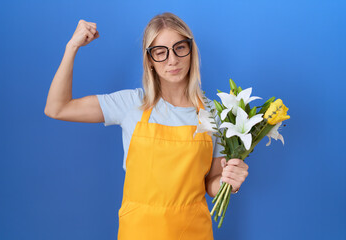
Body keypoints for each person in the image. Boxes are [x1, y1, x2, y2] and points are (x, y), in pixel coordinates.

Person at [44, 12, 249, 240]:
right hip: (139, 232)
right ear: (149, 60)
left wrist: (229, 182)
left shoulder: (213, 113)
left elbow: (211, 185)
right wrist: (72, 47)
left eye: (180, 48)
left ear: (191, 50)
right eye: (161, 52)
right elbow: (57, 107)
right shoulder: (131, 104)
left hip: (193, 232)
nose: (172, 60)